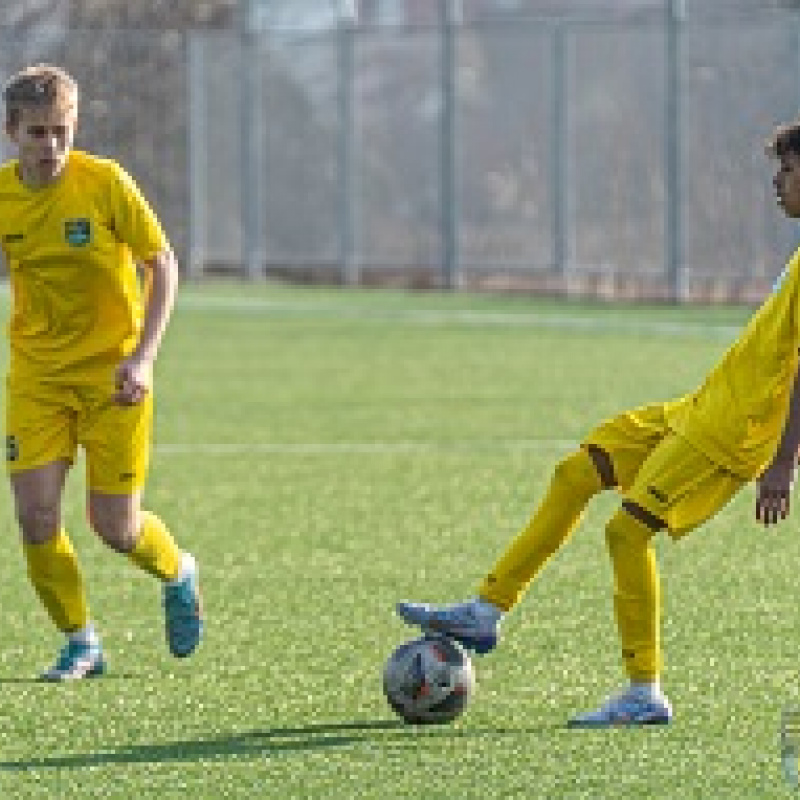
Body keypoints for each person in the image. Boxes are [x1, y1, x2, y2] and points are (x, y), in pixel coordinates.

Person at [397, 117, 800, 727]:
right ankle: (488, 608)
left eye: (788, 171)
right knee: (576, 472)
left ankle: (644, 690)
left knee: (626, 534)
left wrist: (781, 465)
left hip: (729, 435)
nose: (777, 183)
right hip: (702, 409)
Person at [0, 64, 203, 680]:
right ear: (12, 132)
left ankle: (178, 571)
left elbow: (161, 262)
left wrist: (143, 356)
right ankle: (82, 640)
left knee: (115, 528)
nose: (51, 146)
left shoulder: (106, 183)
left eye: (61, 131)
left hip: (114, 379)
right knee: (36, 518)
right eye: (37, 133)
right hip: (37, 378)